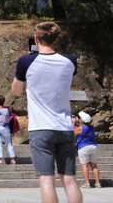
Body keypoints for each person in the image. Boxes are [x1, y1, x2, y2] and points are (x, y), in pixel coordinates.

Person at [11, 21, 82, 203]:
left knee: (46, 180)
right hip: (65, 128)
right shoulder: (70, 61)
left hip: (41, 128)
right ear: (56, 39)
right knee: (69, 180)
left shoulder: (26, 61)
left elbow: (16, 91)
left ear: (36, 38)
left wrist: (26, 68)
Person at [75, 111, 101, 188]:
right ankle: (97, 183)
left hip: (83, 147)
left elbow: (72, 133)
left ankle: (87, 183)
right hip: (93, 147)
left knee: (85, 165)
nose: (77, 119)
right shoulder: (92, 128)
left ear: (81, 120)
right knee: (94, 166)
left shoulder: (80, 128)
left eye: (78, 118)